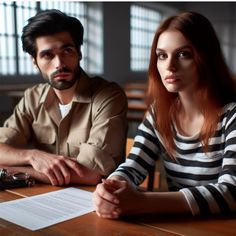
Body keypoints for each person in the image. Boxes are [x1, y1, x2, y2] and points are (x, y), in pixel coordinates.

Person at [93, 11, 236, 218]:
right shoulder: (159, 113)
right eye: (162, 55)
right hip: (177, 225)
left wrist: (143, 202)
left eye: (183, 54)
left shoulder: (231, 116)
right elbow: (134, 165)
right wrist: (111, 187)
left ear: (205, 57)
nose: (169, 66)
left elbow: (231, 191)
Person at [0, 9, 127, 186]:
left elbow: (90, 174)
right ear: (35, 62)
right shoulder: (32, 97)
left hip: (96, 202)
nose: (59, 63)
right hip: (43, 198)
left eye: (67, 50)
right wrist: (33, 156)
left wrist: (15, 171)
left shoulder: (108, 96)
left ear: (79, 54)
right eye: (47, 55)